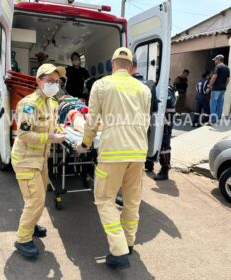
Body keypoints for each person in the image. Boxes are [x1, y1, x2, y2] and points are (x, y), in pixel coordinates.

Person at [76, 47, 151, 269]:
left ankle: (118, 251)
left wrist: (85, 144)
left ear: (112, 64)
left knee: (104, 198)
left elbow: (92, 120)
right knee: (132, 200)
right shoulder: (143, 89)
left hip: (113, 152)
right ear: (130, 66)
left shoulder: (102, 85)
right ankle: (128, 242)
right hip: (138, 153)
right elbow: (146, 122)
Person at [11, 63, 67, 258]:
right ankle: (22, 239)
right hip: (26, 160)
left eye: (57, 81)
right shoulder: (29, 104)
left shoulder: (52, 103)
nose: (54, 84)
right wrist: (50, 138)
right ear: (38, 80)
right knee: (35, 200)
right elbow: (24, 135)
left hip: (41, 159)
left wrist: (57, 131)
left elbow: (52, 126)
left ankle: (32, 224)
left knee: (39, 197)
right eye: (49, 81)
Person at [153, 81, 176, 180]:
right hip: (162, 119)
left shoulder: (167, 88)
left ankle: (165, 169)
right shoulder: (163, 87)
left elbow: (169, 102)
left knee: (164, 145)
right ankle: (149, 163)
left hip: (165, 120)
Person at [206, 54, 230, 124]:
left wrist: (209, 86)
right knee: (220, 104)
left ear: (218, 59)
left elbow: (214, 77)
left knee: (213, 104)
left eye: (215, 60)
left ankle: (212, 120)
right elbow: (228, 79)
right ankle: (218, 119)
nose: (214, 61)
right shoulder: (227, 68)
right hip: (223, 89)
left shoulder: (218, 67)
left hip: (216, 88)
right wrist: (224, 85)